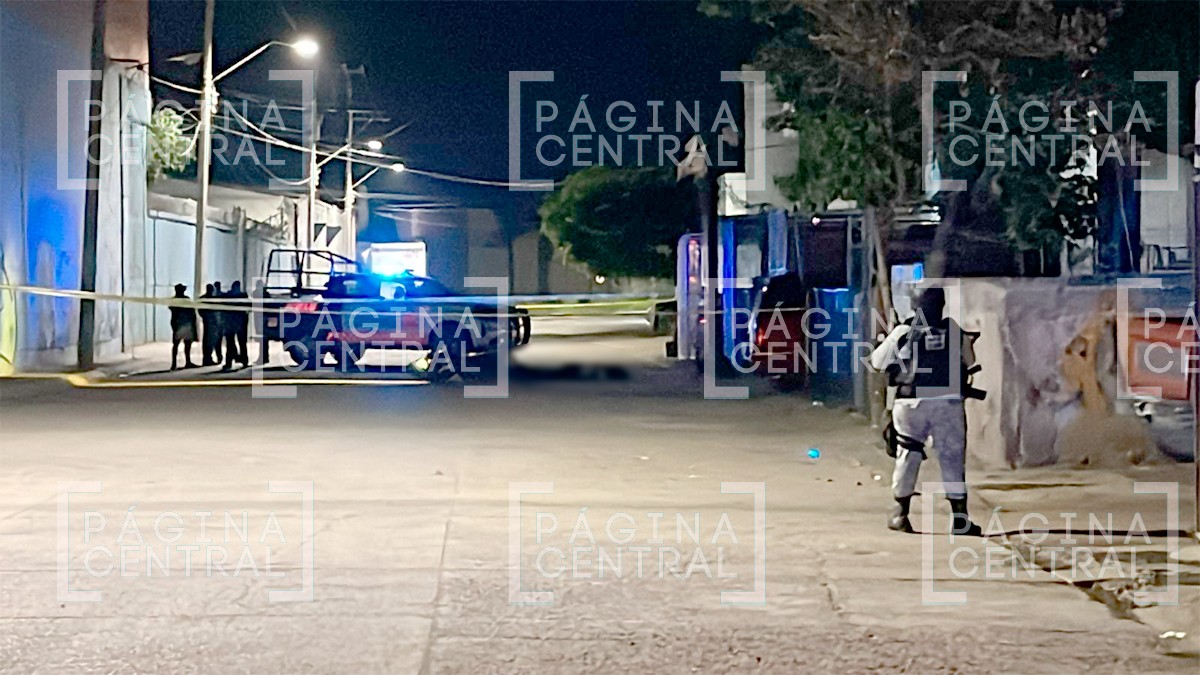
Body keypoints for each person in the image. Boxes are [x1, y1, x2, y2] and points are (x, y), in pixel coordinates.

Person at [870, 286, 982, 536]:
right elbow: (970, 361)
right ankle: (960, 520)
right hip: (948, 403)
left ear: (914, 306)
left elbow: (877, 362)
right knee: (952, 458)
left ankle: (900, 513)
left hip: (910, 403)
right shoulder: (954, 331)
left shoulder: (903, 331)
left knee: (908, 455)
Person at [222, 280, 250, 371]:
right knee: (242, 343)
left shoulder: (227, 296)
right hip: (240, 322)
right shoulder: (242, 296)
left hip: (230, 323)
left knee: (231, 344)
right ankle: (244, 361)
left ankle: (229, 363)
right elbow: (248, 307)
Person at [168, 284, 197, 370]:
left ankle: (174, 364)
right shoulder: (185, 299)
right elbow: (192, 312)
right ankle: (186, 361)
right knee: (185, 344)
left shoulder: (173, 300)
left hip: (178, 324)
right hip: (185, 324)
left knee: (177, 344)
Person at [198, 283, 223, 366]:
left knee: (214, 341)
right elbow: (201, 311)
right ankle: (207, 358)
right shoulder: (210, 299)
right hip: (210, 323)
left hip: (214, 323)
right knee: (209, 341)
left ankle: (211, 358)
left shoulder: (212, 299)